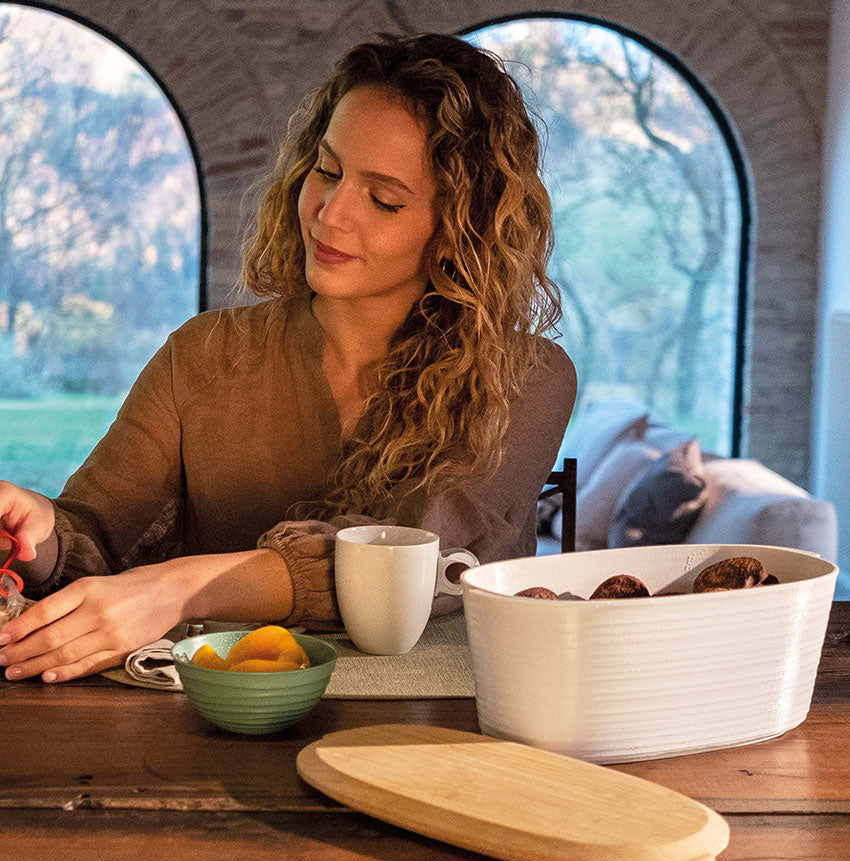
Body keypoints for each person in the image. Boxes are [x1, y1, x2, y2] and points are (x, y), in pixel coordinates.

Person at [0, 32, 576, 682]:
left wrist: (177, 590)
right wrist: (39, 528)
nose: (330, 213)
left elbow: (409, 561)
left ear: (457, 229)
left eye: (383, 199)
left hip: (434, 737)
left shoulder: (526, 379)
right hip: (214, 731)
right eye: (327, 171)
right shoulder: (202, 356)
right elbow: (94, 544)